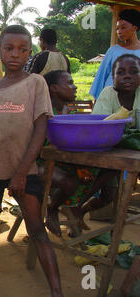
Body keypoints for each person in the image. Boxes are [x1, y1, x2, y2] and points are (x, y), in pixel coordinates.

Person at [0, 25, 63, 297]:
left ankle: (57, 292)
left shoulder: (35, 83)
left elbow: (41, 128)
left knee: (36, 228)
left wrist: (23, 171)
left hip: (24, 170)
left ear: (29, 53)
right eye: (9, 48)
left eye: (23, 49)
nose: (16, 54)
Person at [67, 54, 140, 229]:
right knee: (106, 182)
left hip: (130, 156)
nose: (127, 76)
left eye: (134, 71)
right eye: (120, 72)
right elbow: (101, 128)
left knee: (108, 194)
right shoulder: (108, 94)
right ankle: (75, 206)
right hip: (106, 152)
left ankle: (79, 209)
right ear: (113, 78)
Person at [40, 70, 99, 237]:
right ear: (54, 88)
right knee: (70, 183)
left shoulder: (72, 112)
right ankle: (52, 208)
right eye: (70, 83)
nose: (74, 87)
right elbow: (42, 145)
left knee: (106, 172)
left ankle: (74, 206)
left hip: (67, 160)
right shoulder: (44, 112)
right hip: (40, 162)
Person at [90, 9, 140, 100]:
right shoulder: (113, 51)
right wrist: (98, 101)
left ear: (135, 28)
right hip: (111, 100)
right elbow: (101, 77)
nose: (119, 32)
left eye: (123, 27)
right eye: (117, 28)